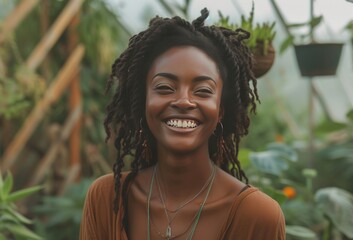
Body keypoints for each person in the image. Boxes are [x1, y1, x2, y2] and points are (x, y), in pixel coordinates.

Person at [80, 8, 285, 240]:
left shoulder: (257, 216)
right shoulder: (107, 200)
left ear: (220, 111)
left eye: (203, 90)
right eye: (165, 87)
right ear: (143, 102)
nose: (184, 101)